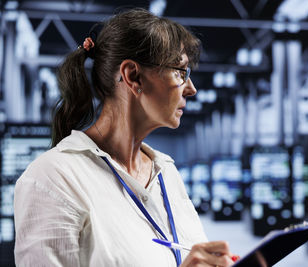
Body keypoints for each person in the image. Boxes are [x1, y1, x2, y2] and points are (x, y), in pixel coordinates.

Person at [14, 8, 237, 267]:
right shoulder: (53, 179)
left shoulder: (166, 171)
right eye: (181, 71)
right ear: (133, 76)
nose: (191, 88)